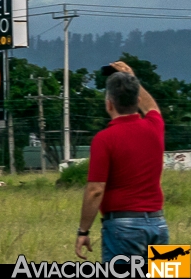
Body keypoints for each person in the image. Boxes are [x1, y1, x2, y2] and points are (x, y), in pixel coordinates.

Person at [75, 60, 169, 261]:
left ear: (109, 104)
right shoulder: (155, 126)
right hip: (158, 224)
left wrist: (83, 231)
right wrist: (132, 78)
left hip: (122, 228)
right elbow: (151, 106)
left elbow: (95, 190)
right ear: (136, 99)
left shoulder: (104, 139)